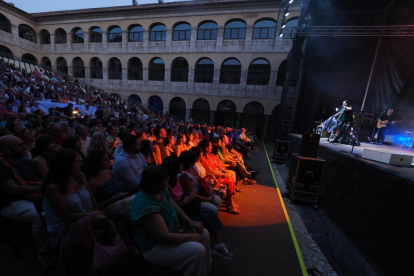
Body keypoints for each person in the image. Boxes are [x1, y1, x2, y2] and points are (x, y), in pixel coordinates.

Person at [42, 149, 117, 274]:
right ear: (65, 164)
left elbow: (92, 199)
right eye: (76, 162)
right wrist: (94, 214)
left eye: (80, 162)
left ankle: (108, 255)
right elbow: (66, 217)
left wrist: (96, 211)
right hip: (67, 225)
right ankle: (116, 246)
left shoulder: (80, 176)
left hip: (88, 217)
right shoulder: (53, 188)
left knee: (99, 227)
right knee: (101, 220)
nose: (80, 164)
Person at [129, 165, 211, 276]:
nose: (168, 180)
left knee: (203, 233)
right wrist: (189, 237)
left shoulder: (161, 190)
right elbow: (164, 237)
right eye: (165, 178)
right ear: (157, 182)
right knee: (197, 250)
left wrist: (190, 221)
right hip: (155, 246)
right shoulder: (146, 205)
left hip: (173, 232)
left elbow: (173, 205)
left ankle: (204, 270)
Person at [162, 156, 234, 260]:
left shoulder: (176, 178)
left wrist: (189, 197)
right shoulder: (168, 185)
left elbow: (185, 193)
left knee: (211, 212)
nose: (182, 165)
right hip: (183, 210)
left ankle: (218, 244)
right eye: (179, 164)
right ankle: (208, 253)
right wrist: (184, 202)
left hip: (189, 204)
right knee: (203, 224)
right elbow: (172, 206)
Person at [0, 135, 41, 223]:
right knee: (42, 216)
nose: (24, 147)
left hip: (34, 196)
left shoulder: (25, 162)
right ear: (7, 149)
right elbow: (13, 189)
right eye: (20, 145)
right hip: (13, 202)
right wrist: (41, 187)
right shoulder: (1, 166)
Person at [86, 150, 135, 218]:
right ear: (97, 163)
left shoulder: (109, 172)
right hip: (110, 206)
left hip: (122, 198)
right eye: (105, 159)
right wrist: (113, 199)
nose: (109, 161)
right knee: (135, 200)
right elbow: (95, 204)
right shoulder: (92, 182)